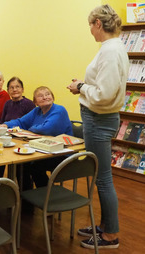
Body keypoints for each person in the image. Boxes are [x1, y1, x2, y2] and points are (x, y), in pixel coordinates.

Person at [67, 4, 127, 250]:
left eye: (90, 25)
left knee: (103, 179)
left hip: (98, 119)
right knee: (101, 177)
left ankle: (111, 235)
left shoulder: (110, 51)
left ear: (98, 24)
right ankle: (104, 225)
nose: (90, 31)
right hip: (100, 119)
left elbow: (103, 94)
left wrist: (80, 87)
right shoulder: (112, 48)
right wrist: (83, 86)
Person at [2, 86, 73, 188]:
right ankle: (26, 199)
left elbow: (46, 129)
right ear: (35, 101)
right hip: (43, 150)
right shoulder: (37, 111)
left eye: (47, 94)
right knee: (20, 164)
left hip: (62, 154)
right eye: (40, 96)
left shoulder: (59, 110)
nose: (45, 97)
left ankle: (45, 194)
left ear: (52, 97)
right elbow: (21, 121)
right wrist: (6, 124)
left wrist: (30, 128)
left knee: (32, 165)